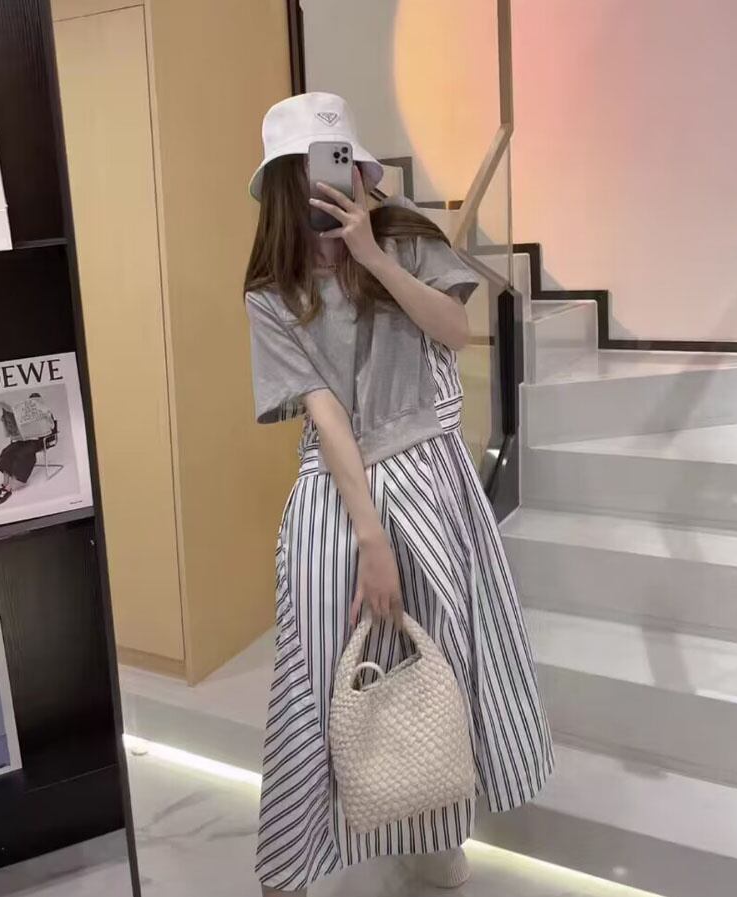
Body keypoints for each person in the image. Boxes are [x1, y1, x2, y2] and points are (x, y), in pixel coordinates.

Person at [245, 92, 553, 897]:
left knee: (440, 658)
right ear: (283, 185)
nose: (327, 183)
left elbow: (456, 331)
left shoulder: (406, 239)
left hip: (434, 478)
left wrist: (373, 257)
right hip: (336, 493)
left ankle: (434, 834)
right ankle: (294, 859)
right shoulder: (272, 290)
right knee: (313, 673)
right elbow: (324, 413)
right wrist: (371, 536)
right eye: (308, 170)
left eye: (339, 163)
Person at [0, 392, 57, 505]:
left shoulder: (46, 412)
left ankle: (9, 487)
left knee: (23, 454)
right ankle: (4, 484)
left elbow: (52, 428)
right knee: (7, 451)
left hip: (39, 441)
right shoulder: (25, 414)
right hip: (25, 440)